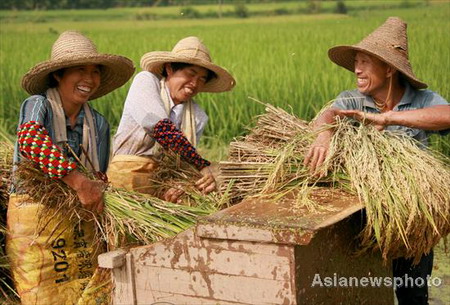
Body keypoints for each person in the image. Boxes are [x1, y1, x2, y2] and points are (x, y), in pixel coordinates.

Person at [304, 17, 450, 305]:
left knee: (413, 294)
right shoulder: (352, 101)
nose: (357, 69)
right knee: (366, 290)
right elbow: (329, 114)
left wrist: (388, 117)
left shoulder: (422, 100)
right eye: (356, 61)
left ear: (388, 68)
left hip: (413, 216)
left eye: (365, 62)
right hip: (368, 220)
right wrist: (323, 135)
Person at [7, 31, 134, 304]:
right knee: (42, 292)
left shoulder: (97, 123)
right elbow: (30, 140)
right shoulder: (38, 105)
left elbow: (98, 177)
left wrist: (98, 190)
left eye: (95, 72)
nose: (89, 79)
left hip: (77, 219)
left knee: (84, 288)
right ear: (58, 75)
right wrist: (78, 182)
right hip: (36, 219)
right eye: (80, 70)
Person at [108, 36, 236, 203]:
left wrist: (180, 185)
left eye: (202, 79)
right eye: (191, 73)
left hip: (161, 184)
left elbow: (182, 164)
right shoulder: (146, 82)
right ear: (169, 68)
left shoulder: (197, 116)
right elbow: (161, 128)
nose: (195, 83)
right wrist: (202, 165)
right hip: (125, 179)